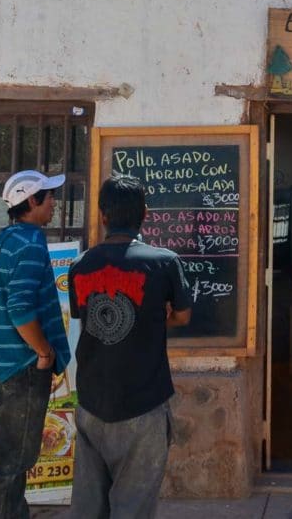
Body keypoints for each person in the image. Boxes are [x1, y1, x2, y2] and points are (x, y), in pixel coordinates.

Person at [68, 175, 192, 518]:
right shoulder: (164, 262)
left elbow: (89, 318)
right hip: (144, 402)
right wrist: (152, 318)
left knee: (89, 506)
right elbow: (182, 316)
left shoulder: (80, 267)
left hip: (92, 402)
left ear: (103, 215)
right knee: (133, 506)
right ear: (146, 213)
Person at [0, 169, 71, 518]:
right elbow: (20, 309)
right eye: (49, 196)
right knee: (17, 454)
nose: (54, 203)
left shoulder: (10, 238)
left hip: (9, 363)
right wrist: (44, 352)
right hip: (24, 365)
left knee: (5, 449)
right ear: (32, 201)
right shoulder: (31, 243)